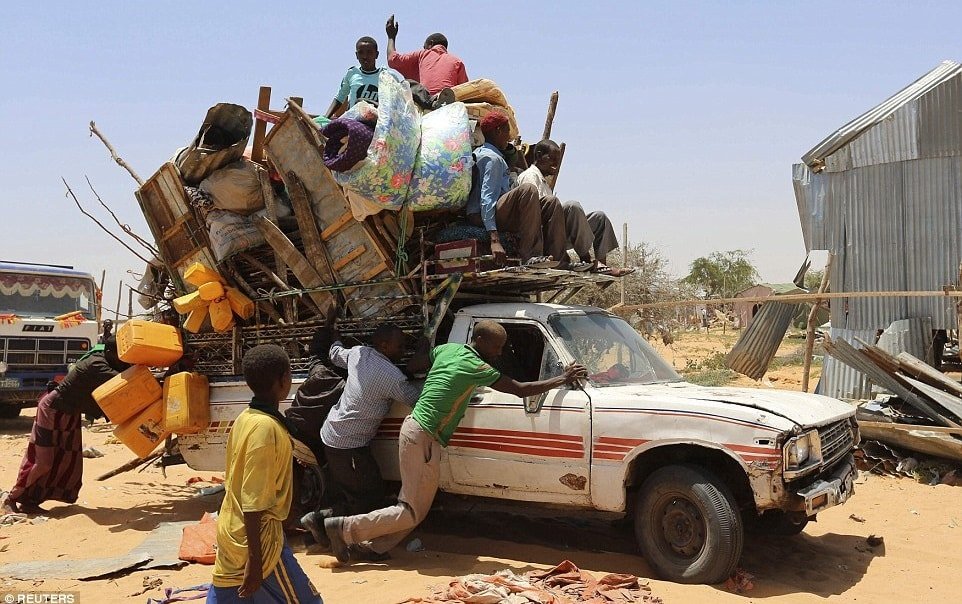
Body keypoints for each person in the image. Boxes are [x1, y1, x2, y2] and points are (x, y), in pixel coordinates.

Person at [320, 320, 587, 563]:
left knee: (417, 508)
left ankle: (372, 548)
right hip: (422, 436)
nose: (499, 353)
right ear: (480, 342)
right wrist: (562, 379)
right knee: (411, 510)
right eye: (497, 347)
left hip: (419, 433)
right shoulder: (476, 366)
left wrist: (425, 345)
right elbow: (519, 389)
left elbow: (415, 365)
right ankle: (343, 528)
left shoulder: (448, 350)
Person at [208, 345, 322, 603]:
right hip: (260, 544)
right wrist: (256, 563)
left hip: (231, 535)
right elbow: (253, 500)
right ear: (284, 380)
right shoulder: (265, 429)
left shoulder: (245, 419)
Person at [300, 325, 424, 555]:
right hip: (349, 444)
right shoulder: (391, 377)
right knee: (367, 496)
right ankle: (343, 537)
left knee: (356, 490)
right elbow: (417, 399)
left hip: (333, 433)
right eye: (400, 346)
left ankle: (318, 524)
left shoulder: (359, 353)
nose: (403, 350)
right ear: (384, 346)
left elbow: (335, 352)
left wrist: (334, 329)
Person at [1, 321, 128, 514]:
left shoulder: (100, 358)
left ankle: (30, 501)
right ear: (112, 354)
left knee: (64, 459)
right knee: (42, 460)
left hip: (69, 412)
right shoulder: (97, 364)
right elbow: (124, 381)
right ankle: (11, 498)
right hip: (53, 409)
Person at [518, 139, 634, 276]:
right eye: (552, 159)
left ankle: (602, 265)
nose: (556, 164)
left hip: (557, 231)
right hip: (546, 236)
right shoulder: (530, 177)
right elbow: (533, 216)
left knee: (599, 217)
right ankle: (588, 260)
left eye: (558, 160)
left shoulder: (543, 181)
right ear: (538, 155)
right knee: (572, 206)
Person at [467, 111, 568, 267]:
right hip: (481, 216)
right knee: (528, 190)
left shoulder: (492, 156)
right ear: (497, 131)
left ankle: (558, 259)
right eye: (507, 130)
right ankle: (530, 256)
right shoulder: (492, 159)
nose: (509, 136)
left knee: (551, 202)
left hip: (498, 212)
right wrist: (494, 240)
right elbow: (487, 199)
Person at [385, 15, 467, 96]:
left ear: (430, 44)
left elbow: (393, 60)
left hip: (427, 101)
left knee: (407, 85)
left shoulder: (423, 54)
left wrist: (391, 37)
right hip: (448, 100)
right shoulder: (457, 61)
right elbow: (466, 89)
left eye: (425, 47)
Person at [324, 36, 403, 119]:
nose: (365, 56)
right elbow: (340, 98)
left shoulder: (387, 76)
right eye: (361, 52)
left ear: (376, 54)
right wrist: (325, 118)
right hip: (354, 122)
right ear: (356, 55)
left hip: (377, 124)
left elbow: (399, 103)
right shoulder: (352, 73)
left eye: (369, 52)